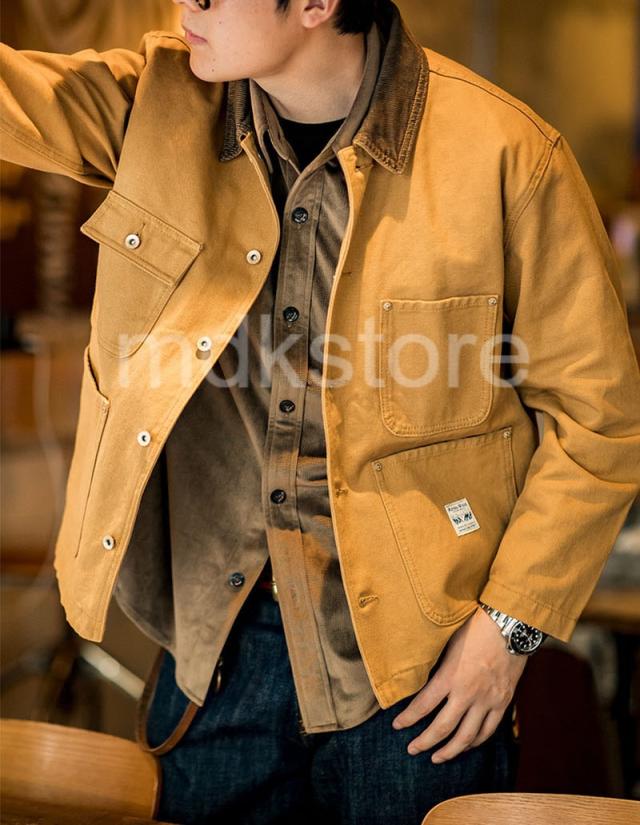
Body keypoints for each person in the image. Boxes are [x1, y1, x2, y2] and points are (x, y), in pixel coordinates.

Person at [2, 1, 639, 822]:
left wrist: (505, 633)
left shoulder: (506, 155)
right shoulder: (153, 105)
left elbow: (602, 422)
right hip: (215, 661)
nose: (183, 3)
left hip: (417, 679)